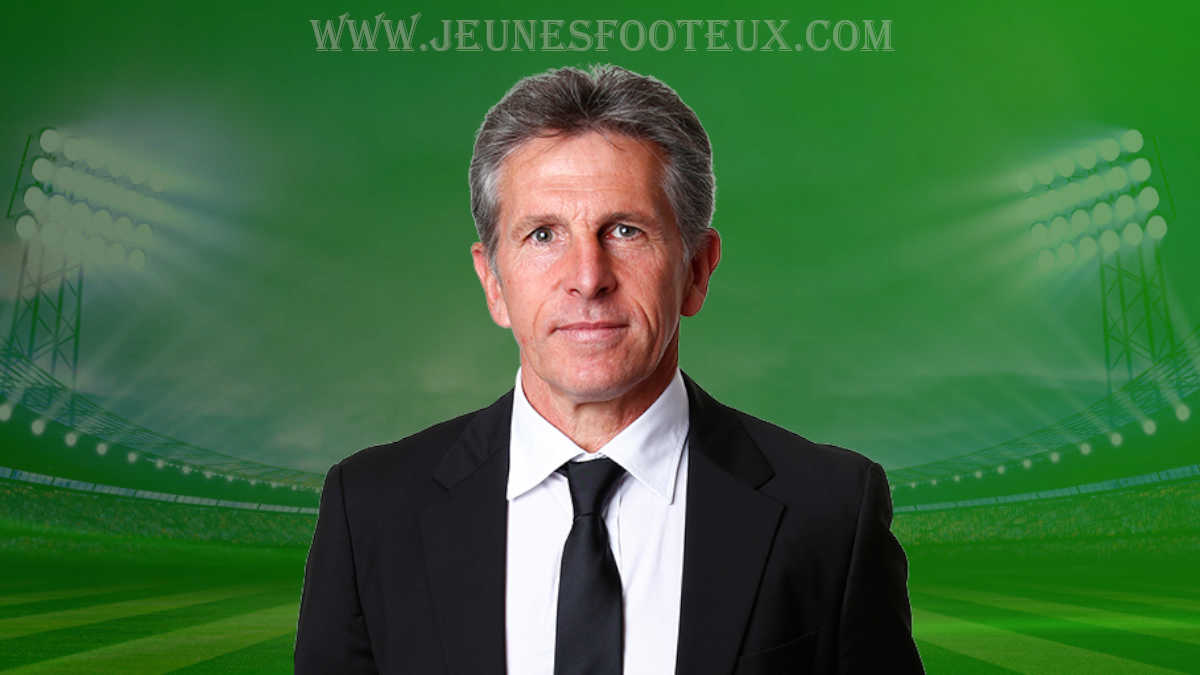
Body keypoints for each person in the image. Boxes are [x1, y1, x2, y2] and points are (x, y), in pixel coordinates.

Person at [294, 63, 924, 675]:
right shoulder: (370, 510)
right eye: (543, 235)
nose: (588, 278)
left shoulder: (830, 512)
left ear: (697, 270)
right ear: (493, 282)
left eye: (625, 230)